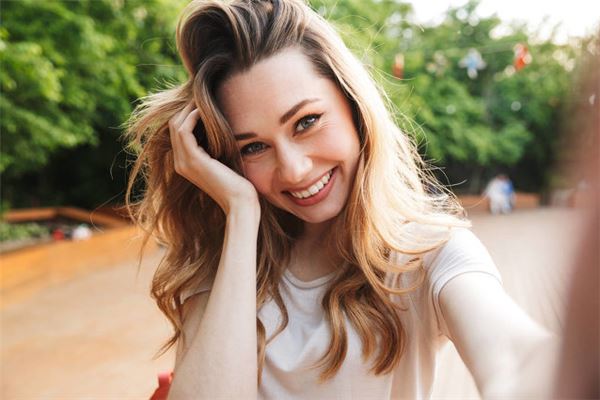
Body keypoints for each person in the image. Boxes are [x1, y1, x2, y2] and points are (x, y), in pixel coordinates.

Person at [125, 1, 555, 398]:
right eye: (253, 147)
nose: (294, 170)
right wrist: (240, 212)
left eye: (306, 122)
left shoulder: (429, 254)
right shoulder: (227, 263)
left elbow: (515, 356)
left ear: (353, 106)